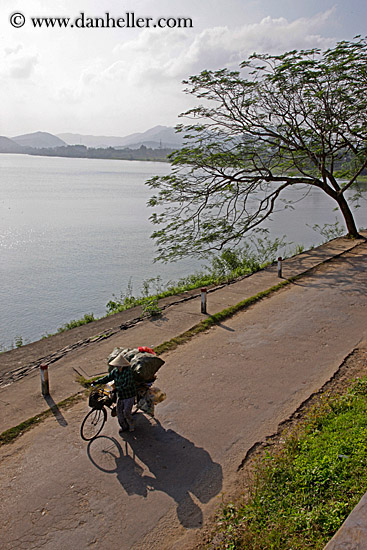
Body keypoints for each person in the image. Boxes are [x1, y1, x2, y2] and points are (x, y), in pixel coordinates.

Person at [95, 353, 136, 433]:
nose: (116, 367)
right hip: (120, 395)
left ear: (122, 366)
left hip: (129, 395)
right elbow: (108, 378)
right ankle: (124, 426)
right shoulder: (115, 372)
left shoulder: (128, 372)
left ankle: (131, 423)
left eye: (118, 366)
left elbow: (127, 385)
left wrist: (116, 389)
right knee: (119, 412)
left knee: (127, 412)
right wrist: (97, 382)